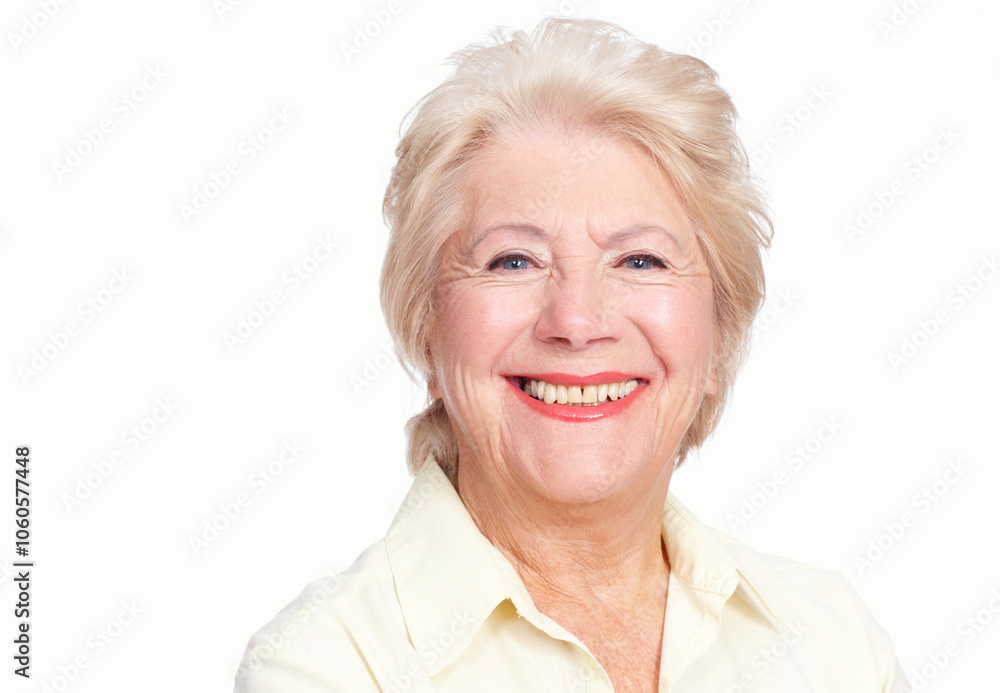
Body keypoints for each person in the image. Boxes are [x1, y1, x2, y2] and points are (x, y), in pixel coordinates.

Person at [234, 17, 909, 692]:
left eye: (640, 260)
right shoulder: (324, 665)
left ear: (718, 332)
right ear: (427, 332)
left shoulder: (835, 646)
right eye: (513, 260)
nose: (577, 321)